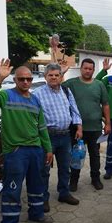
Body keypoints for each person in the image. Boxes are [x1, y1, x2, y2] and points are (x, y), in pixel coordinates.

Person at [0, 61, 54, 223]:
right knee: (13, 189)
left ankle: (36, 213)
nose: (26, 82)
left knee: (37, 185)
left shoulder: (35, 100)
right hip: (16, 152)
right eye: (22, 79)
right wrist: (0, 77)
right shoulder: (6, 96)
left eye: (29, 79)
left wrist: (48, 149)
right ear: (15, 80)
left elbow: (42, 127)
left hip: (36, 150)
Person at [34, 64, 82, 206]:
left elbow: (75, 110)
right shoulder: (37, 93)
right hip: (47, 137)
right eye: (51, 75)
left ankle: (64, 193)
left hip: (65, 136)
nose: (54, 77)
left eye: (56, 75)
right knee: (44, 169)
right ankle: (43, 199)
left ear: (61, 77)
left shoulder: (66, 91)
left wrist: (79, 127)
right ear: (45, 77)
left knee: (65, 167)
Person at [63, 58, 111, 191]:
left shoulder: (99, 85)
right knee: (76, 155)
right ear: (81, 68)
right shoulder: (72, 84)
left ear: (93, 70)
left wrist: (108, 123)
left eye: (90, 69)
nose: (88, 71)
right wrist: (61, 72)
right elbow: (57, 87)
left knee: (95, 155)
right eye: (85, 68)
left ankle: (95, 179)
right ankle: (73, 181)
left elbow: (106, 105)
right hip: (77, 128)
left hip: (95, 128)